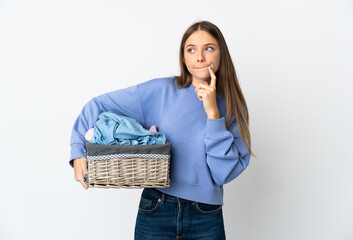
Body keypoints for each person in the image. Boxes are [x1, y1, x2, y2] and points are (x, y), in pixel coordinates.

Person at [69, 20, 256, 240]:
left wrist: (213, 114)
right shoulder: (161, 91)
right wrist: (78, 152)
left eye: (208, 48)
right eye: (191, 49)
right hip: (157, 208)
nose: (200, 57)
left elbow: (221, 173)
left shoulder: (233, 105)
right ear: (183, 57)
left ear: (221, 53)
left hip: (206, 215)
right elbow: (99, 104)